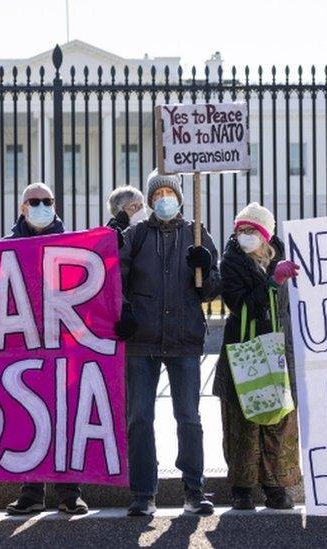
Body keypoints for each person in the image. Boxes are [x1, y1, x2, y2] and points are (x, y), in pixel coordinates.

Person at [117, 169, 221, 516]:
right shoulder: (136, 235)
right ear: (149, 201)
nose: (164, 200)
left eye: (169, 193)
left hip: (184, 338)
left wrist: (205, 268)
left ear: (179, 197)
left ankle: (194, 488)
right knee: (140, 418)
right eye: (157, 194)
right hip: (142, 340)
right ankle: (143, 493)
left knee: (189, 416)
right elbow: (117, 280)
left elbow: (210, 289)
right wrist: (125, 312)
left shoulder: (196, 233)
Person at [3, 182, 88, 515]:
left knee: (65, 416)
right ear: (22, 208)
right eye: (34, 201)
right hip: (23, 343)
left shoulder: (75, 245)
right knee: (28, 417)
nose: (41, 206)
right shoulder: (7, 247)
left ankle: (70, 492)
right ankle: (32, 491)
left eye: (47, 200)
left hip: (64, 343)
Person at [212, 203, 301, 510]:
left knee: (278, 418)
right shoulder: (231, 262)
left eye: (252, 231)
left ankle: (275, 485)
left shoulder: (286, 257)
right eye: (241, 230)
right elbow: (239, 304)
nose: (245, 236)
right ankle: (242, 488)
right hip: (244, 350)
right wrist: (271, 283)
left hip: (278, 352)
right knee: (243, 421)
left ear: (265, 235)